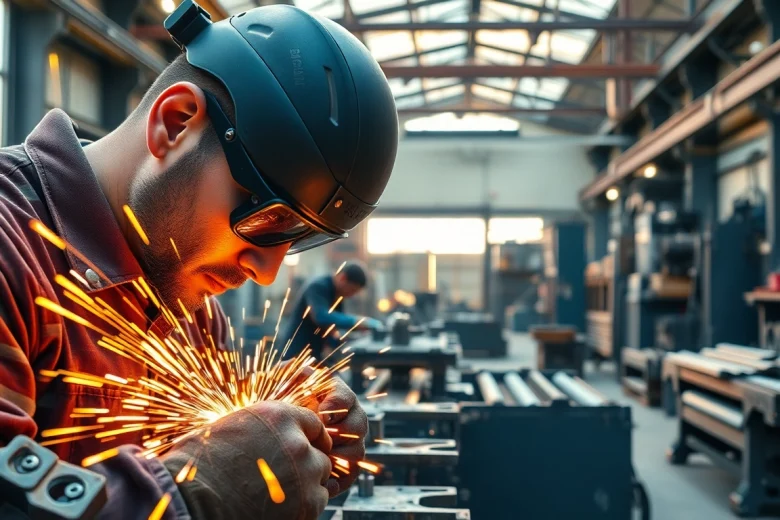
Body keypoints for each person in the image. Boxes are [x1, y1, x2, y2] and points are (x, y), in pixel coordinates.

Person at [0, 2, 398, 519]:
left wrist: (290, 460)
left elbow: (210, 455)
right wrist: (187, 499)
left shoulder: (192, 310)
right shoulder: (14, 248)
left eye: (298, 239)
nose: (267, 270)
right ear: (175, 123)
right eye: (267, 219)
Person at [282, 261, 384, 361]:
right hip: (295, 354)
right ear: (343, 278)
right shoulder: (318, 286)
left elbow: (332, 328)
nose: (352, 295)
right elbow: (321, 316)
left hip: (313, 354)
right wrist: (357, 321)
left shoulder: (337, 295)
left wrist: (347, 338)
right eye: (352, 290)